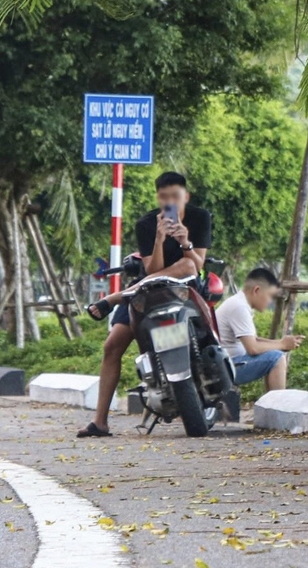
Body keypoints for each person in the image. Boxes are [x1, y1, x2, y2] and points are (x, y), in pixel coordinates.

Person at [78, 172, 212, 437]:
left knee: (186, 264)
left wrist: (185, 241)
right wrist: (159, 239)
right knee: (112, 345)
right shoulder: (147, 224)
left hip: (184, 289)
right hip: (147, 291)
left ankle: (114, 297)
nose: (169, 202)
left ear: (186, 196)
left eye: (175, 196)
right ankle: (100, 421)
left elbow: (197, 265)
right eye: (164, 197)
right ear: (158, 198)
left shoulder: (200, 217)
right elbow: (153, 268)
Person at [214, 269, 304, 390]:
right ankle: (277, 402)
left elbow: (254, 340)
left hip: (227, 363)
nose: (270, 301)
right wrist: (282, 344)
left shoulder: (239, 303)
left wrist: (282, 343)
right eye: (270, 296)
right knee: (276, 358)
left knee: (274, 355)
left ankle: (271, 401)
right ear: (256, 290)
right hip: (225, 368)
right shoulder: (239, 307)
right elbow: (253, 348)